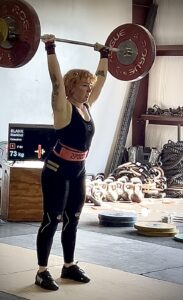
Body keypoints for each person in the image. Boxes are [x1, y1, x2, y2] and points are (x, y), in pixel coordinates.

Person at [35, 34, 109, 291]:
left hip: (78, 171)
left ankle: (68, 266)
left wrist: (105, 56)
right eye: (84, 85)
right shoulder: (63, 107)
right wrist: (50, 48)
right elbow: (56, 80)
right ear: (72, 86)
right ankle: (42, 271)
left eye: (89, 85)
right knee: (51, 220)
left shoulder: (87, 106)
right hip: (57, 171)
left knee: (73, 219)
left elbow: (101, 81)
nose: (90, 88)